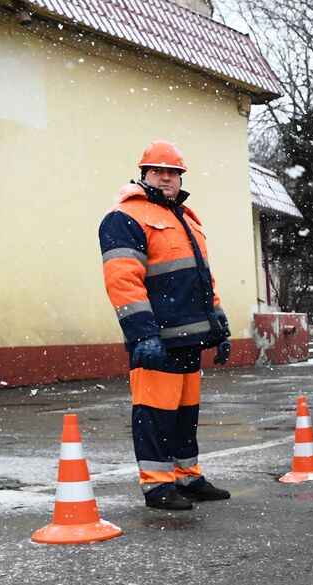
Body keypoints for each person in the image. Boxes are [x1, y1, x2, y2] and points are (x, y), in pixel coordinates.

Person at [99, 140, 233, 510]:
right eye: (157, 170)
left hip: (189, 339)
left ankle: (186, 476)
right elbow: (123, 279)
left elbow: (203, 279)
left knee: (185, 416)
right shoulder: (125, 216)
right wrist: (143, 334)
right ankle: (158, 486)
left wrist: (218, 324)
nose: (165, 177)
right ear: (143, 174)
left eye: (172, 172)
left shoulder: (186, 218)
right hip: (156, 340)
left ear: (180, 177)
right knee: (155, 415)